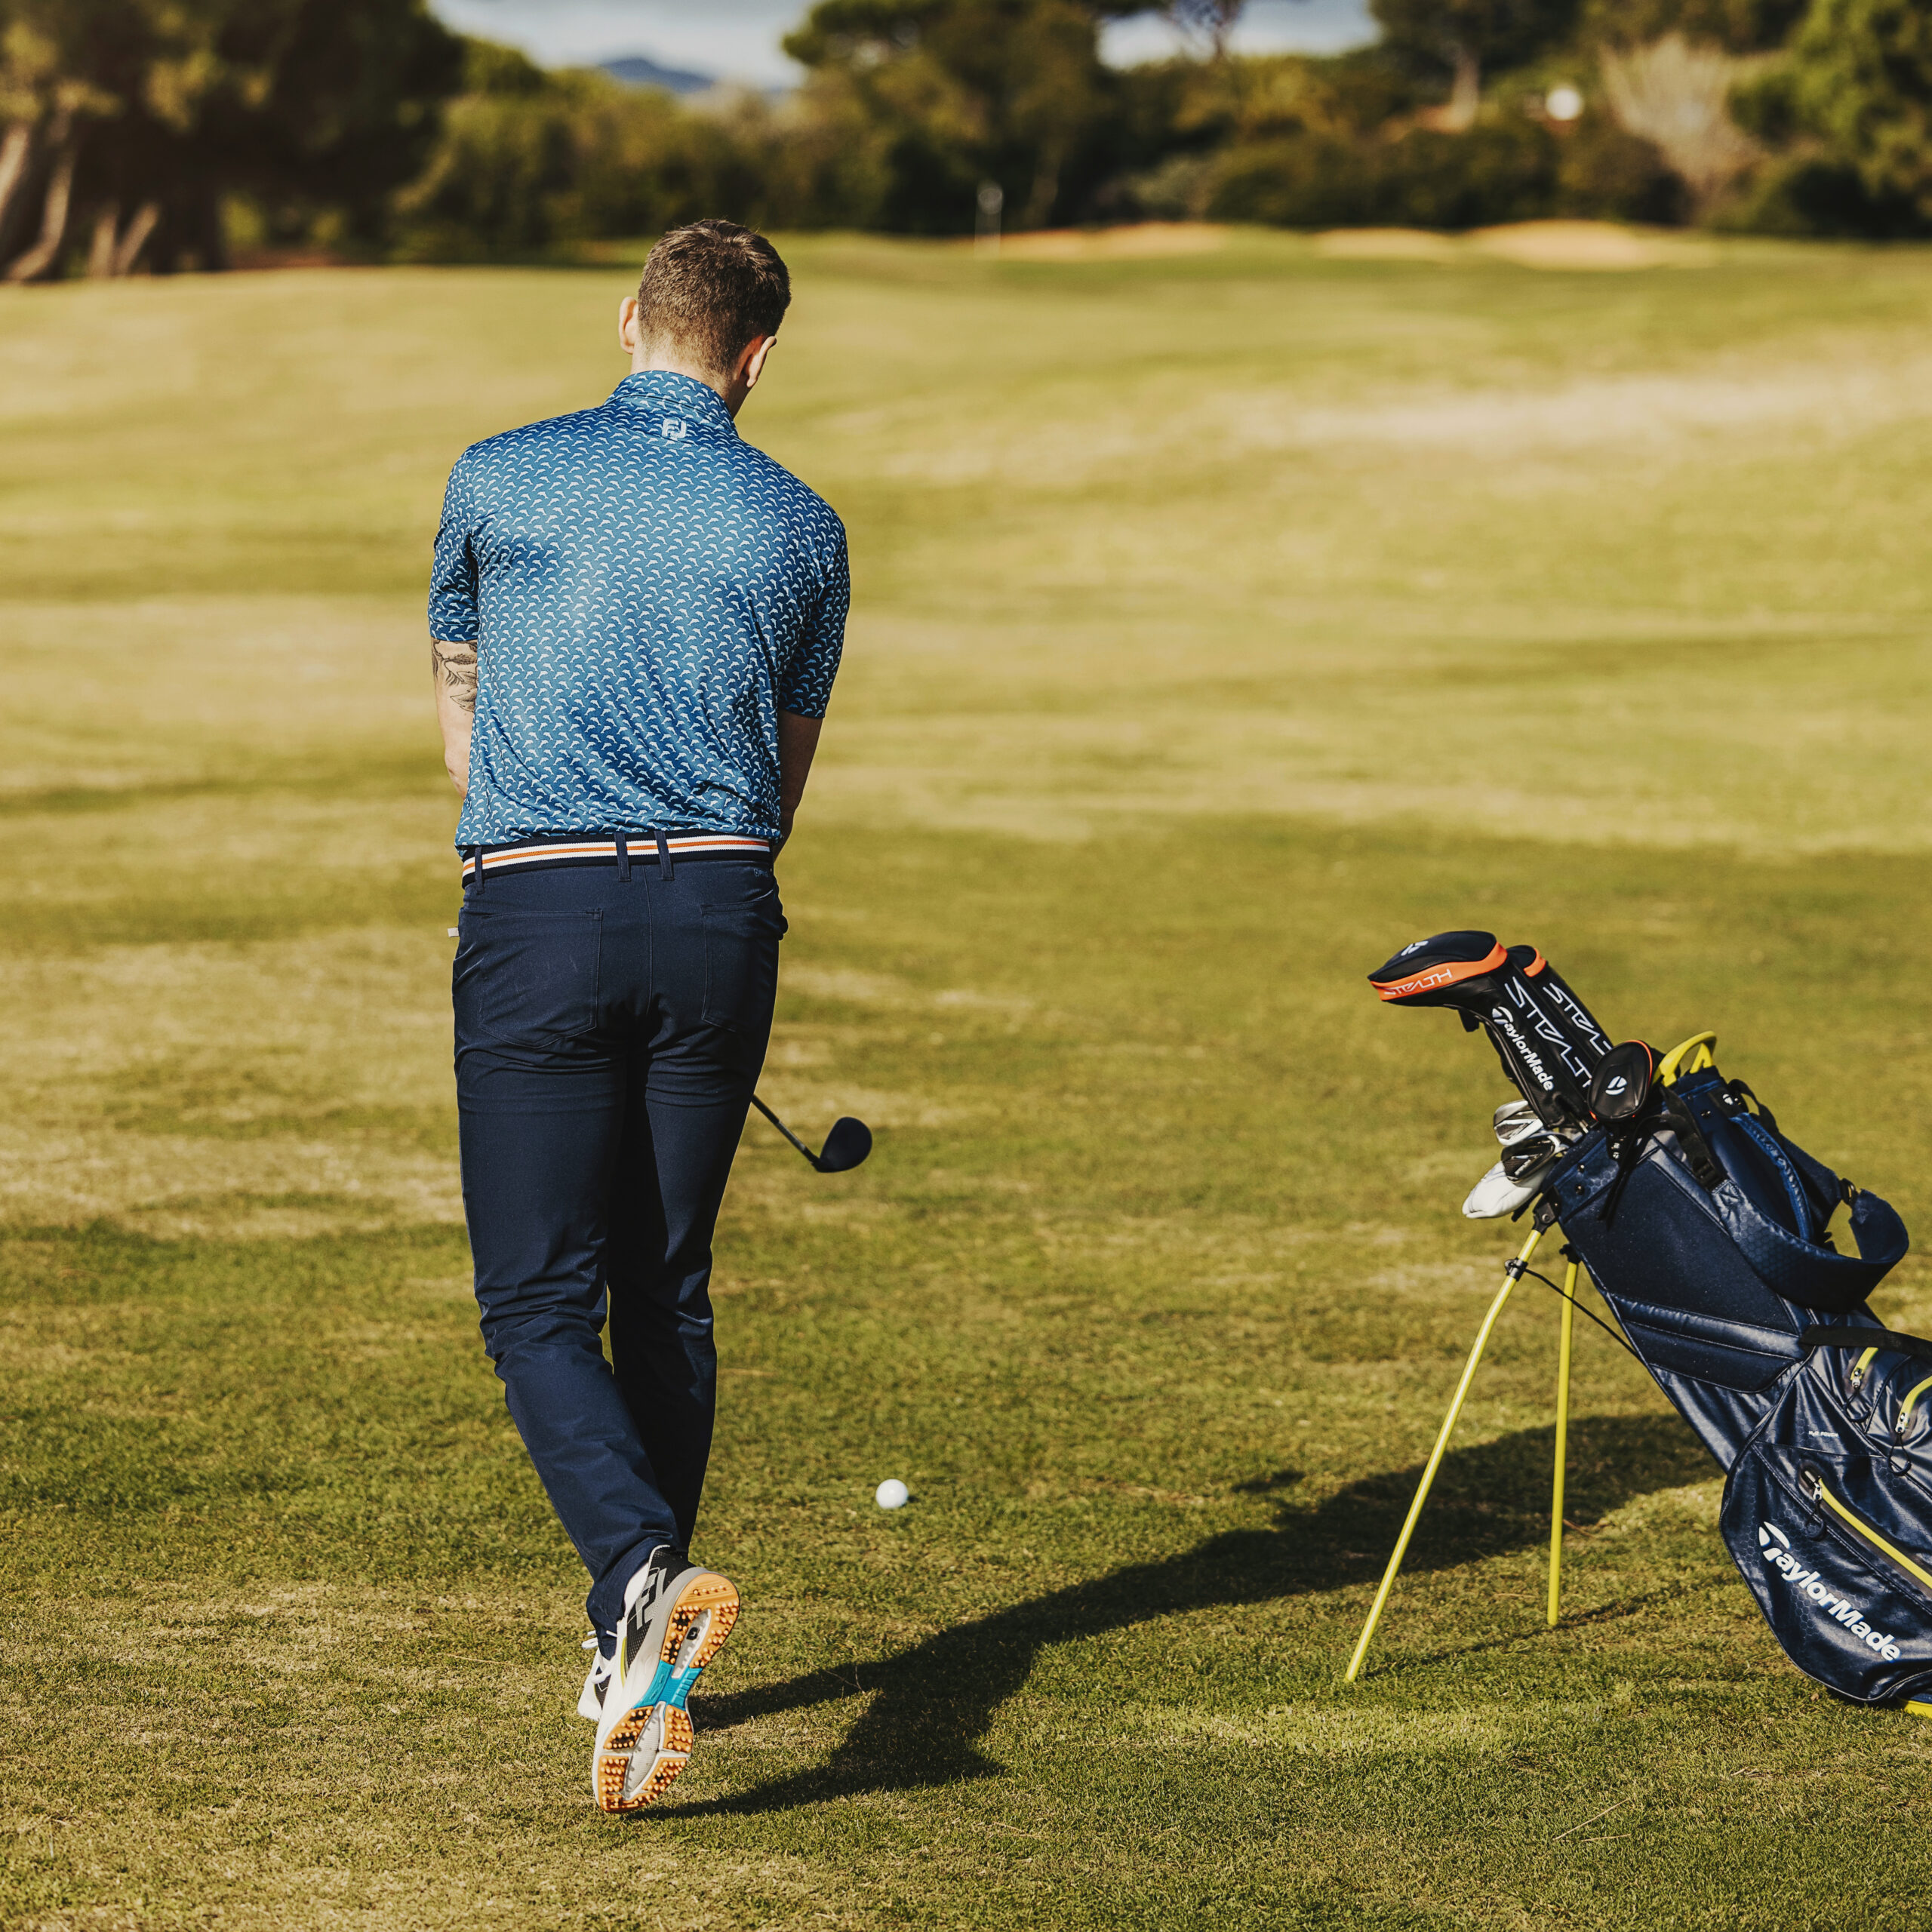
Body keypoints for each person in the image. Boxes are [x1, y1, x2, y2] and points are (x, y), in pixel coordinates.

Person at [427, 220, 848, 1813]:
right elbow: (782, 782)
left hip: (536, 909)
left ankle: (637, 1576)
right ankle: (636, 1649)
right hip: (719, 916)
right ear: (758, 356)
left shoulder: (496, 474)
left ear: (629, 321)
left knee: (538, 1300)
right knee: (663, 1284)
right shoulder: (803, 524)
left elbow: (460, 713)